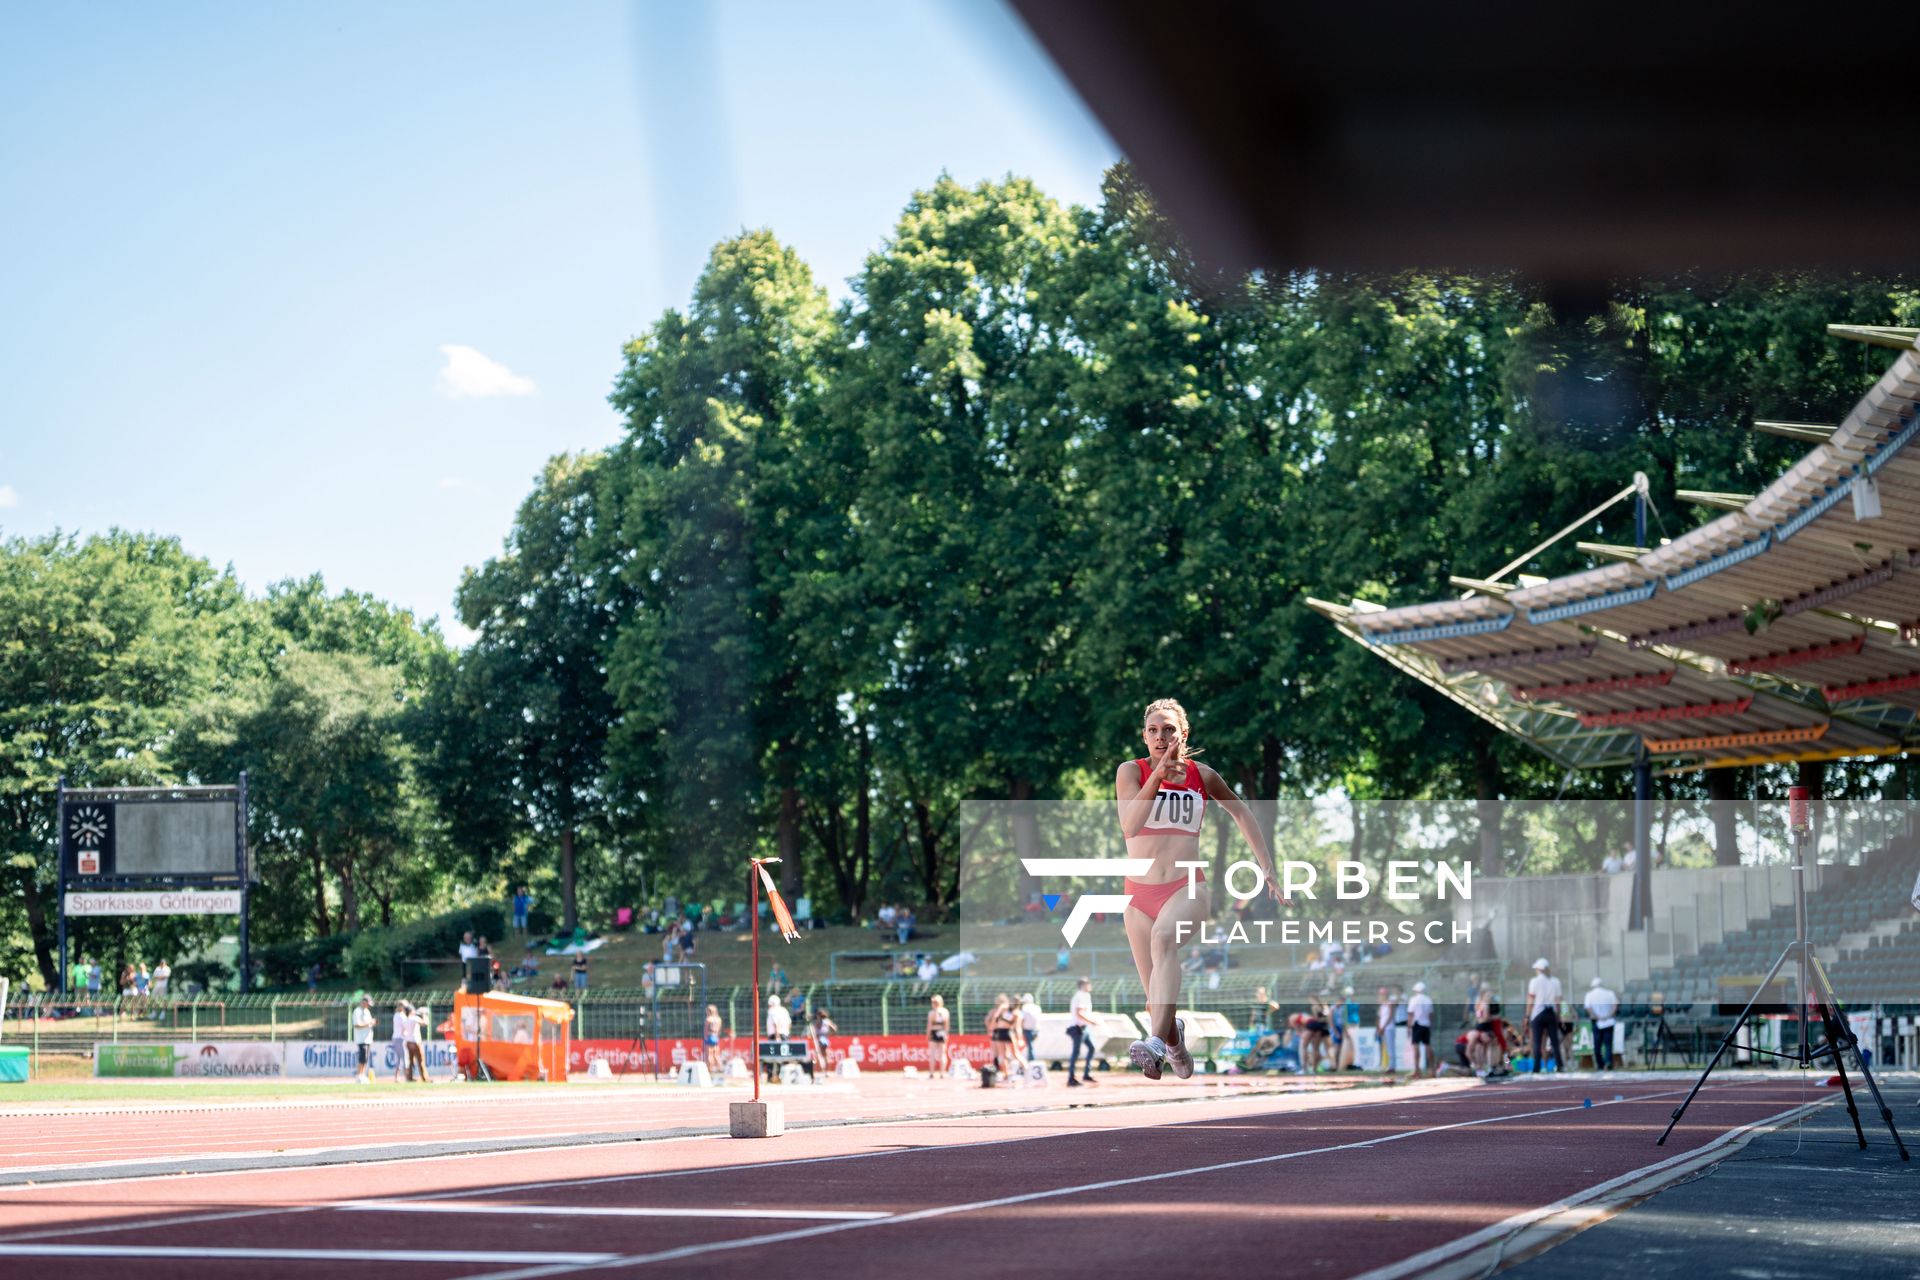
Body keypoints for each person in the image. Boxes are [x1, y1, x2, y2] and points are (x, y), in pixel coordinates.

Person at [1116, 697, 1278, 1079]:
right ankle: (1174, 1044)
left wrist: (1267, 867)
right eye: (1153, 730)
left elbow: (1240, 810)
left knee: (1163, 940)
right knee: (1157, 999)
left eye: (1169, 729)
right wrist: (1156, 776)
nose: (1161, 737)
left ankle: (1154, 1044)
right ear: (1144, 736)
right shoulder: (1131, 772)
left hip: (1186, 886)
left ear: (1183, 733)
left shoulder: (1201, 775)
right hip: (1137, 896)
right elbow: (1131, 826)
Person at [1525, 958, 1566, 1073]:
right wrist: (1558, 1015)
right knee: (1554, 1041)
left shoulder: (1534, 981)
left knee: (1537, 1041)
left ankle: (1536, 1066)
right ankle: (1559, 1065)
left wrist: (1527, 1015)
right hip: (1551, 1012)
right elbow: (1558, 1001)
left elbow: (1531, 999)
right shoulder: (1555, 981)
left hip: (1538, 1013)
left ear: (1539, 969)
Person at [1066, 976, 1098, 1086]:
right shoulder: (1080, 996)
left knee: (1091, 1048)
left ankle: (1086, 1074)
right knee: (1076, 1053)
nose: (1090, 985)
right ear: (1083, 985)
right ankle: (1071, 1078)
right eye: (1088, 984)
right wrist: (1091, 1021)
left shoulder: (1085, 995)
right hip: (1078, 1028)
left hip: (1084, 1028)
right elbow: (1079, 1013)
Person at [1584, 976, 1619, 1070]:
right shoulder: (1610, 993)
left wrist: (1597, 1016)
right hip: (1609, 1021)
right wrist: (1609, 1015)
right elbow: (1615, 1005)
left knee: (1597, 1045)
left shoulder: (1589, 995)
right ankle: (1608, 1062)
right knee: (1608, 1045)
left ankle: (1600, 1064)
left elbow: (1588, 1008)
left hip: (1597, 1021)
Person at [1405, 980, 1435, 1078]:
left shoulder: (1413, 999)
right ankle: (1432, 1069)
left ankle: (1417, 1070)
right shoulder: (1428, 1000)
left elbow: (1410, 1014)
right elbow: (1431, 1014)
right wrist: (1430, 1025)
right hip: (1426, 1024)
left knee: (1416, 1047)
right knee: (1428, 1046)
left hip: (1417, 1024)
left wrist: (1409, 1027)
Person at [986, 993, 1018, 1080]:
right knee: (999, 1053)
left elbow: (989, 1021)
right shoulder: (996, 1011)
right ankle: (1002, 1071)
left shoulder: (1005, 1010)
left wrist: (991, 1027)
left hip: (1001, 1032)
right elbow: (988, 1021)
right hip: (998, 1032)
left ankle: (1006, 1071)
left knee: (1004, 1054)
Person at [765, 994, 793, 1082]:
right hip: (785, 1035)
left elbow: (776, 1023)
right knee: (783, 1057)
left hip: (776, 1036)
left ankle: (772, 1077)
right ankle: (782, 1077)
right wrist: (786, 1034)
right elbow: (789, 1023)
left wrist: (777, 1036)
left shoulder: (772, 1011)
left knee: (772, 1057)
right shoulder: (784, 1010)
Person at [351, 994, 376, 1084]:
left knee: (365, 1058)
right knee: (362, 1058)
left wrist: (372, 1023)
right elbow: (357, 1025)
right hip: (361, 1039)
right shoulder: (357, 1011)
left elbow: (368, 1024)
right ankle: (359, 1076)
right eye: (367, 1003)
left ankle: (362, 1075)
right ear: (363, 1002)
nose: (368, 1006)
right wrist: (369, 1023)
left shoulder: (367, 1011)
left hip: (368, 1038)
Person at [926, 993, 951, 1075]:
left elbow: (929, 1025)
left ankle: (932, 1073)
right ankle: (942, 1073)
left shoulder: (931, 1013)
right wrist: (946, 1034)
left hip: (934, 1031)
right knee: (942, 1053)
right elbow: (947, 1025)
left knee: (932, 1053)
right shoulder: (945, 1012)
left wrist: (928, 1034)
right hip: (942, 1032)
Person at [808, 1007, 837, 1078]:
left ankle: (820, 1071)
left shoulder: (822, 1021)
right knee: (822, 1056)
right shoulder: (825, 1021)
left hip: (821, 1039)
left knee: (821, 1055)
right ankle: (822, 1071)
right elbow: (834, 1028)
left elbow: (833, 1028)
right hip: (821, 1039)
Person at [391, 1001, 413, 1082]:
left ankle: (397, 1077)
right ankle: (406, 1077)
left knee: (399, 1059)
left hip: (396, 1038)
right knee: (404, 1058)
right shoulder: (400, 1016)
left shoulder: (397, 1015)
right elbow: (406, 1026)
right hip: (400, 1039)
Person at [408, 1002, 430, 1081]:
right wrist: (424, 1014)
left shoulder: (407, 1018)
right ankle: (425, 1078)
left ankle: (409, 1078)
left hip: (408, 1042)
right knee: (421, 1060)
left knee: (410, 1062)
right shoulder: (414, 1018)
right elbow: (426, 1023)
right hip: (415, 1041)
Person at [703, 1005, 724, 1075]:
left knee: (709, 1054)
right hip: (716, 1036)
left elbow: (706, 1030)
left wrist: (705, 1037)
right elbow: (720, 1029)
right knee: (716, 1054)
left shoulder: (708, 1019)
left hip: (709, 1036)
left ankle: (710, 1069)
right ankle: (720, 1067)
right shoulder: (718, 1019)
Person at [1019, 993, 1040, 1062]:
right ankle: (1031, 1059)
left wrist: (1020, 1029)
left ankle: (1031, 1061)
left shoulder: (1025, 1008)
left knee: (1030, 1046)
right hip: (1036, 1029)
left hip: (1027, 1030)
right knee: (1031, 1046)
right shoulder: (1037, 1008)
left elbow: (1022, 1019)